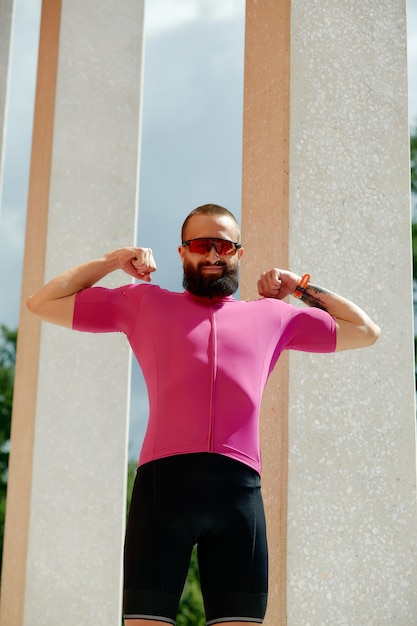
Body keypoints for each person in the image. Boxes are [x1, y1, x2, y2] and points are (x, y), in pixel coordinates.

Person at [27, 203, 380, 626]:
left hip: (239, 496)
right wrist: (113, 260)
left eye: (224, 245)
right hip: (163, 490)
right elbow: (42, 302)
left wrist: (298, 285)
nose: (212, 254)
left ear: (239, 253)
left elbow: (365, 331)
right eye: (200, 244)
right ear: (182, 252)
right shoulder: (142, 302)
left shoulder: (272, 316)